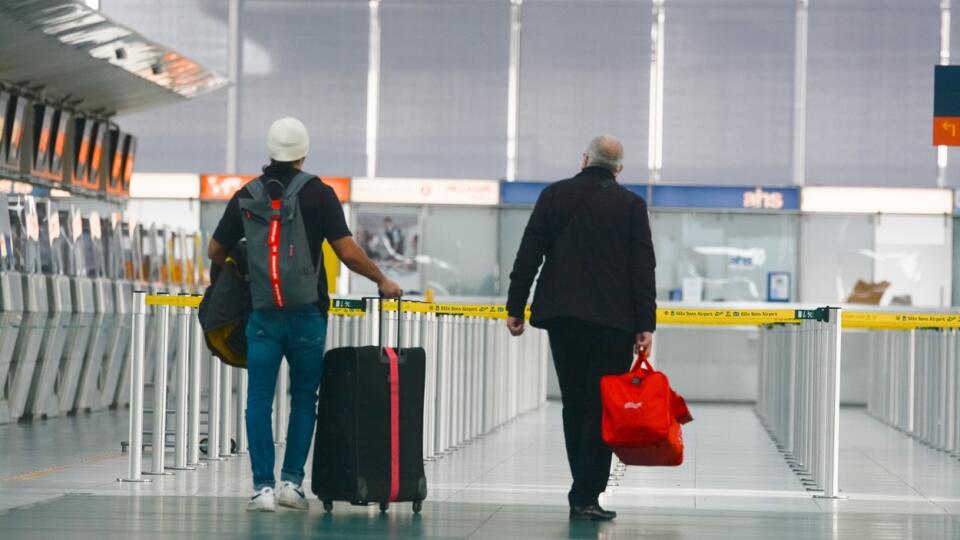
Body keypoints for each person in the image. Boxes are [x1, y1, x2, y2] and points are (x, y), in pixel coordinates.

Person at [208, 117, 402, 512]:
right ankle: (291, 485)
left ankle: (261, 487)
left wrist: (248, 264)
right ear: (303, 153)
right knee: (303, 399)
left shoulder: (246, 193)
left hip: (262, 315)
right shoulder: (319, 194)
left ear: (269, 151)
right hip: (307, 317)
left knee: (258, 401)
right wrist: (382, 279)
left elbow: (214, 251)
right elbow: (347, 252)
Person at [505, 135, 656, 522]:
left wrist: (515, 305)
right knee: (601, 406)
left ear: (584, 158)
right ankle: (587, 494)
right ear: (619, 168)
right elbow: (643, 267)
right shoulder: (631, 205)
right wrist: (645, 324)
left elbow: (529, 250)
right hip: (613, 323)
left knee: (574, 404)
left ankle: (581, 491)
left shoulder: (554, 196)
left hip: (563, 319)